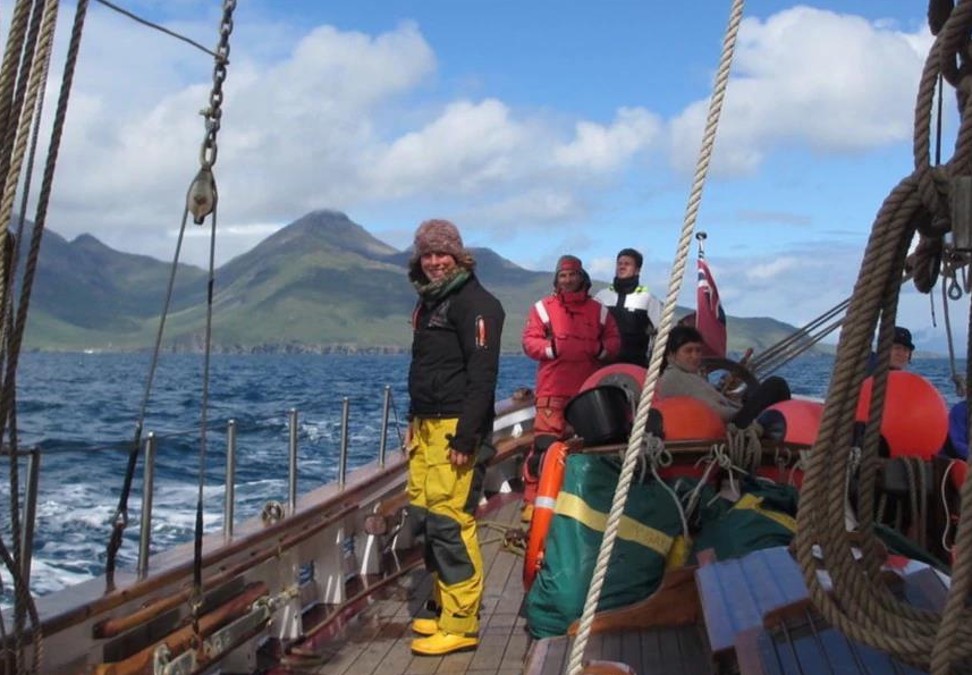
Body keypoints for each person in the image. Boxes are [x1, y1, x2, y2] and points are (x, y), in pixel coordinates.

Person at [405, 219, 505, 656]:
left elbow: (482, 377)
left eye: (441, 254)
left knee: (450, 521)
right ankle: (446, 608)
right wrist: (413, 419)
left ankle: (462, 622)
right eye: (426, 255)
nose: (433, 262)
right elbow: (427, 368)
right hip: (428, 426)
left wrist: (465, 438)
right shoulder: (430, 303)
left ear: (459, 256)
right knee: (426, 517)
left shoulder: (477, 304)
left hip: (456, 429)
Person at [521, 254, 620, 519]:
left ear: (581, 277)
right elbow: (529, 342)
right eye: (563, 275)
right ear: (557, 279)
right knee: (543, 449)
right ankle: (533, 504)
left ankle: (581, 502)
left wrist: (600, 350)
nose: (567, 279)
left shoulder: (599, 310)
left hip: (587, 393)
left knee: (587, 450)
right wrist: (551, 348)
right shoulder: (542, 308)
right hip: (552, 393)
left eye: (572, 274)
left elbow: (614, 341)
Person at [658, 325, 790, 427]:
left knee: (752, 395)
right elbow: (713, 411)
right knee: (776, 385)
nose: (695, 356)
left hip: (728, 420)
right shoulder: (673, 378)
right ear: (672, 354)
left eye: (698, 350)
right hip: (730, 425)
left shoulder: (687, 375)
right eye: (689, 351)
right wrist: (745, 411)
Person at [594, 248, 663, 367]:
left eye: (627, 264)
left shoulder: (648, 299)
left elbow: (661, 331)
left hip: (635, 365)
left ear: (637, 270)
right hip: (603, 363)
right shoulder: (602, 297)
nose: (622, 267)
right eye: (619, 264)